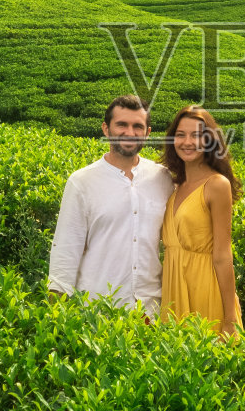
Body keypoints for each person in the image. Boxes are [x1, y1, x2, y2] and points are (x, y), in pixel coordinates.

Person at [47, 95, 173, 320]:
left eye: (137, 126)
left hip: (151, 312)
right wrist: (58, 316)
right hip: (97, 311)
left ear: (147, 132)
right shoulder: (82, 182)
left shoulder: (162, 178)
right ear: (106, 129)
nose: (130, 132)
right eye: (121, 125)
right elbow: (65, 251)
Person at [159, 104, 243, 337]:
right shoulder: (174, 185)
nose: (188, 142)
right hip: (173, 289)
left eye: (197, 135)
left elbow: (223, 256)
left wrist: (230, 318)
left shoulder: (216, 185)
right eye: (181, 135)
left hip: (205, 288)